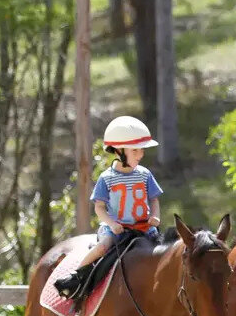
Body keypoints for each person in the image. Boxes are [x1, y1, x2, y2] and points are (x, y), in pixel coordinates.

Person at [55, 116, 163, 299]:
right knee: (102, 247)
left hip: (143, 227)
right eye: (135, 150)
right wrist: (112, 224)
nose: (140, 154)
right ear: (119, 151)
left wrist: (156, 217)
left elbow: (154, 200)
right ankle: (77, 276)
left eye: (141, 150)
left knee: (165, 251)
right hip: (117, 229)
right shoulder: (107, 178)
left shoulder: (145, 175)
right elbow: (99, 208)